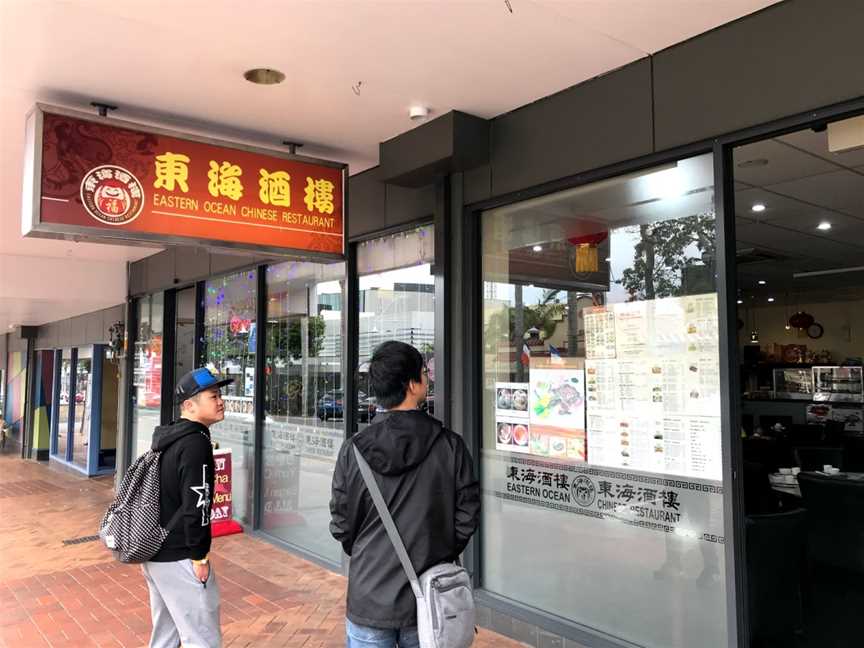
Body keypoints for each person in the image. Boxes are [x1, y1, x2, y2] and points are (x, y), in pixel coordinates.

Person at [330, 341, 481, 648]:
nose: (428, 378)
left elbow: (341, 525)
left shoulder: (354, 450)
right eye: (424, 372)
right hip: (430, 599)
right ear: (412, 384)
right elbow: (468, 514)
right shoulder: (450, 445)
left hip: (369, 597)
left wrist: (368, 554)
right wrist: (439, 550)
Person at [141, 368, 232, 648]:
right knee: (202, 638)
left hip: (157, 552)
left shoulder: (171, 437)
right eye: (213, 396)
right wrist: (199, 557)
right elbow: (198, 504)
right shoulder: (195, 443)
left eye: (220, 395)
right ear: (190, 405)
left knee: (165, 636)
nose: (220, 401)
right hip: (180, 554)